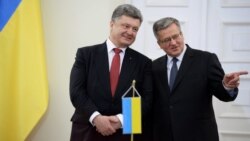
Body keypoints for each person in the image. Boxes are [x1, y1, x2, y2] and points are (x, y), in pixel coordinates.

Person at [151, 17, 248, 141]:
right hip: (165, 136)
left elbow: (223, 95)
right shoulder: (154, 66)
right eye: (166, 40)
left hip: (199, 135)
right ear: (159, 44)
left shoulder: (206, 60)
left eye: (175, 36)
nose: (173, 43)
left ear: (182, 34)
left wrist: (227, 86)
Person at [69, 4, 153, 141]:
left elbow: (147, 100)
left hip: (125, 132)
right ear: (112, 24)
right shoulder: (85, 55)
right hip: (87, 130)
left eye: (135, 29)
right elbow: (76, 92)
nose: (130, 32)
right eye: (126, 26)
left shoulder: (144, 63)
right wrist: (96, 118)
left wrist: (120, 120)